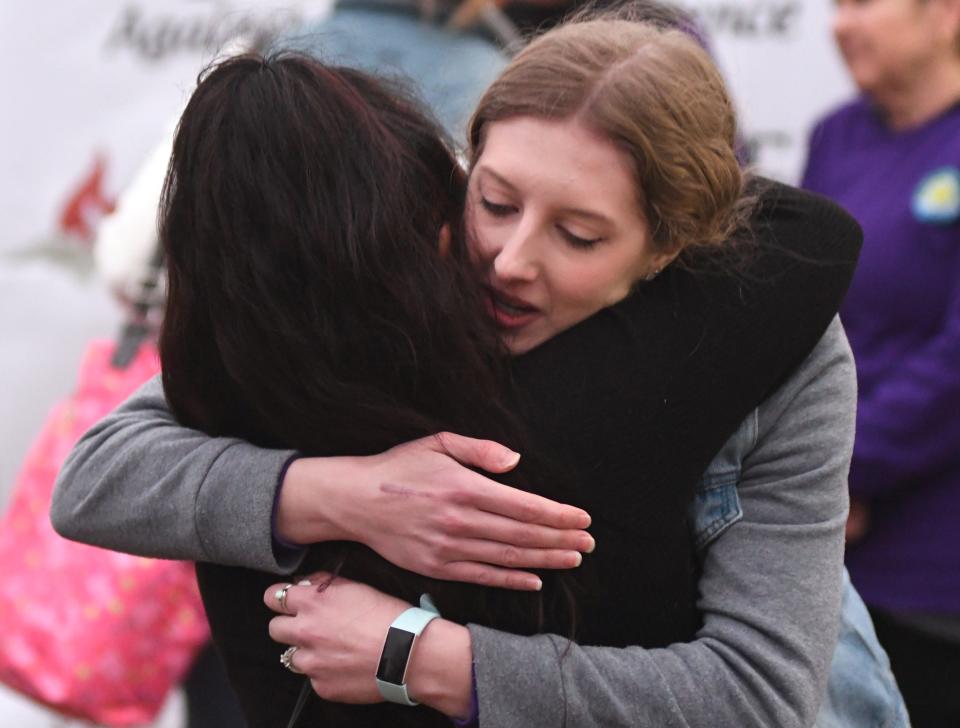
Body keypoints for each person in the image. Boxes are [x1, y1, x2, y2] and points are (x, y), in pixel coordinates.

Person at [53, 16, 863, 728]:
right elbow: (101, 475)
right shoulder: (418, 267)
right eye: (497, 201)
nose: (509, 262)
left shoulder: (784, 349)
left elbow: (760, 697)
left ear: (671, 249)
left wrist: (423, 658)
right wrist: (351, 494)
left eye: (578, 236)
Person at [802, 0, 960, 725]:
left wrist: (842, 465)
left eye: (863, 2)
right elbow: (799, 315)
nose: (839, 23)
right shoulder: (835, 135)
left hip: (934, 564)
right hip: (826, 552)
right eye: (835, 5)